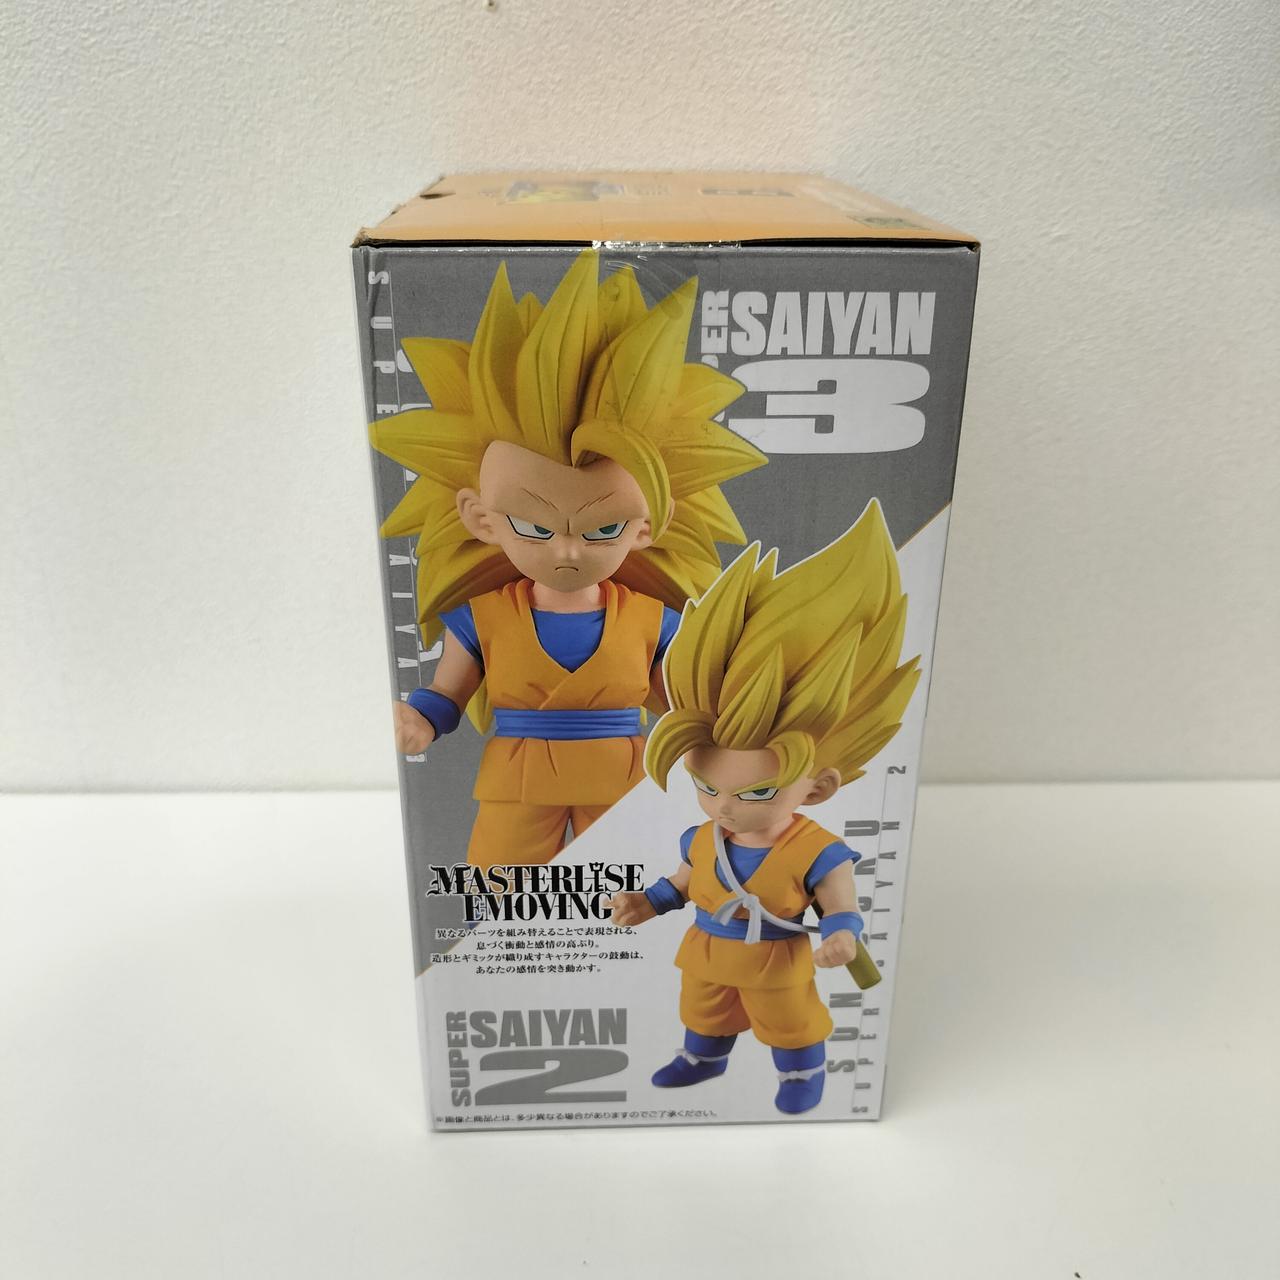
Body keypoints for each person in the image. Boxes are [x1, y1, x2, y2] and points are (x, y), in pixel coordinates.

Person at [370, 249, 765, 868]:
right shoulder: (480, 617)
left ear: (648, 527)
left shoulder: (652, 619)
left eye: (604, 528)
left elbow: (677, 705)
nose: (568, 550)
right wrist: (422, 720)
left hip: (622, 779)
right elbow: (447, 693)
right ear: (479, 517)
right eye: (533, 526)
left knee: (626, 894)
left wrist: (722, 739)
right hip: (518, 778)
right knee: (503, 894)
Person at [609, 503, 920, 1114]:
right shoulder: (702, 838)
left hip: (777, 955)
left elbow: (841, 906)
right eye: (706, 785)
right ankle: (702, 1059)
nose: (724, 806)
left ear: (817, 788)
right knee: (703, 1009)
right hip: (708, 948)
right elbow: (683, 882)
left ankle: (802, 1072)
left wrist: (842, 935)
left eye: (755, 793)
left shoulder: (818, 851)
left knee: (789, 1018)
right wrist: (648, 902)